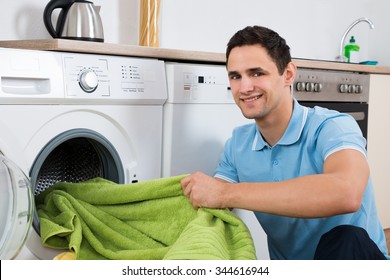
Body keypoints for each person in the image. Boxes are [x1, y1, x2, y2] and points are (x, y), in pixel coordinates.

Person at [181, 25, 389, 260]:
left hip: (356, 261)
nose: (245, 87)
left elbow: (347, 193)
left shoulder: (333, 126)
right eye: (236, 76)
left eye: (257, 73)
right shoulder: (237, 146)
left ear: (288, 74)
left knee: (346, 237)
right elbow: (213, 202)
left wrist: (227, 193)